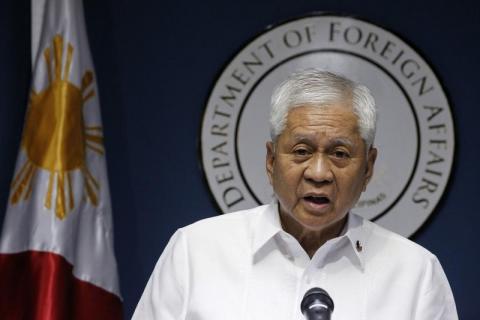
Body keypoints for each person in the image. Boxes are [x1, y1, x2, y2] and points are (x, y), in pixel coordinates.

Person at [132, 70, 458, 319]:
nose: (319, 173)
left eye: (340, 154)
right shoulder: (195, 252)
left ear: (368, 167)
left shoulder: (415, 273)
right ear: (271, 160)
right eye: (301, 151)